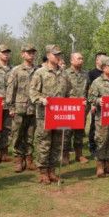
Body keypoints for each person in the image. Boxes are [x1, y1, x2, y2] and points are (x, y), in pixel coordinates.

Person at [30, 45, 70, 184]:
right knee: (44, 143)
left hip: (60, 115)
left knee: (57, 143)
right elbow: (33, 93)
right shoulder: (40, 73)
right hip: (45, 114)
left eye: (59, 54)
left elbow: (68, 93)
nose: (58, 56)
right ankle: (43, 171)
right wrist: (42, 99)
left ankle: (52, 171)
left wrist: (75, 104)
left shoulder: (64, 73)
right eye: (55, 54)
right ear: (48, 55)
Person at [87, 56, 109, 178]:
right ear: (103, 68)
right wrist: (98, 100)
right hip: (102, 117)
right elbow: (90, 98)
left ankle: (108, 164)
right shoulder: (97, 82)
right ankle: (100, 166)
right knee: (101, 141)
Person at [7, 44, 38, 173]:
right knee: (17, 134)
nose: (31, 54)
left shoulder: (38, 70)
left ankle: (29, 158)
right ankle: (19, 159)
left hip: (34, 108)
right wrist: (11, 107)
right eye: (28, 52)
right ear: (22, 54)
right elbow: (10, 89)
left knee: (30, 135)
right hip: (19, 107)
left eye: (32, 52)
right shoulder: (16, 70)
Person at [63, 52, 88, 163]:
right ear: (71, 60)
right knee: (67, 132)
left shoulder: (85, 74)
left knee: (79, 132)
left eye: (82, 58)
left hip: (82, 108)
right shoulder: (65, 73)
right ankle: (65, 155)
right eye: (78, 58)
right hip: (69, 108)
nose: (81, 60)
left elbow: (88, 89)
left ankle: (79, 155)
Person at [86, 52, 105, 158]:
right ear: (97, 60)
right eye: (102, 59)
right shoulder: (92, 73)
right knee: (94, 126)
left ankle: (102, 147)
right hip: (96, 104)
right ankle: (92, 147)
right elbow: (90, 90)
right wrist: (93, 104)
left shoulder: (106, 72)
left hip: (106, 106)